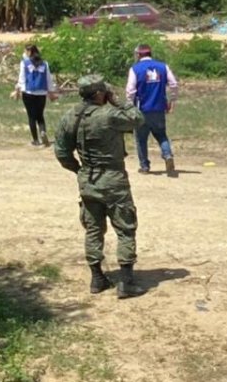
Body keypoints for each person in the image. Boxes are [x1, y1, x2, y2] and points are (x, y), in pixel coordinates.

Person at [54, 74, 147, 299]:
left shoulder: (70, 117)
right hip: (113, 178)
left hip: (88, 180)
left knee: (93, 228)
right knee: (125, 227)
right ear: (99, 93)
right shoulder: (110, 115)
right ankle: (126, 282)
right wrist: (118, 99)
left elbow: (61, 152)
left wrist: (79, 170)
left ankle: (97, 278)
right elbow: (137, 118)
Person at [126, 44, 179, 176]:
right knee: (161, 135)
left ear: (139, 54)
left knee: (141, 139)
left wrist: (129, 106)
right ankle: (167, 155)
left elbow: (130, 91)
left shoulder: (135, 69)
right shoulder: (163, 66)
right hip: (159, 108)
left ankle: (144, 166)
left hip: (142, 109)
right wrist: (172, 100)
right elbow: (173, 84)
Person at [12, 44, 57, 147]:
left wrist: (17, 90)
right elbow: (48, 79)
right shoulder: (44, 64)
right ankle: (43, 132)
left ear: (28, 52)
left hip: (29, 92)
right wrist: (51, 92)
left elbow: (22, 78)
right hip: (41, 93)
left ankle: (36, 140)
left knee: (31, 116)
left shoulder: (24, 63)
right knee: (40, 115)